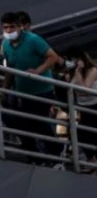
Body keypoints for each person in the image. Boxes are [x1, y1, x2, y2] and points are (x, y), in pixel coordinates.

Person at [1, 12, 63, 162]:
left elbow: (53, 56)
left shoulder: (33, 40)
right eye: (6, 27)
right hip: (22, 92)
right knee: (21, 123)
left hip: (42, 91)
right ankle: (33, 155)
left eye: (12, 27)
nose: (9, 31)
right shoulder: (5, 44)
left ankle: (55, 153)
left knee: (39, 122)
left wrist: (38, 71)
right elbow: (10, 69)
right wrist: (5, 89)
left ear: (20, 26)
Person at [65, 46, 97, 173]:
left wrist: (78, 71)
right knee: (88, 133)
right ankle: (96, 162)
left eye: (74, 59)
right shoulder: (71, 72)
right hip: (83, 106)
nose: (72, 62)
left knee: (85, 132)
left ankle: (94, 161)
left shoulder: (92, 70)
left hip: (96, 104)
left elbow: (85, 89)